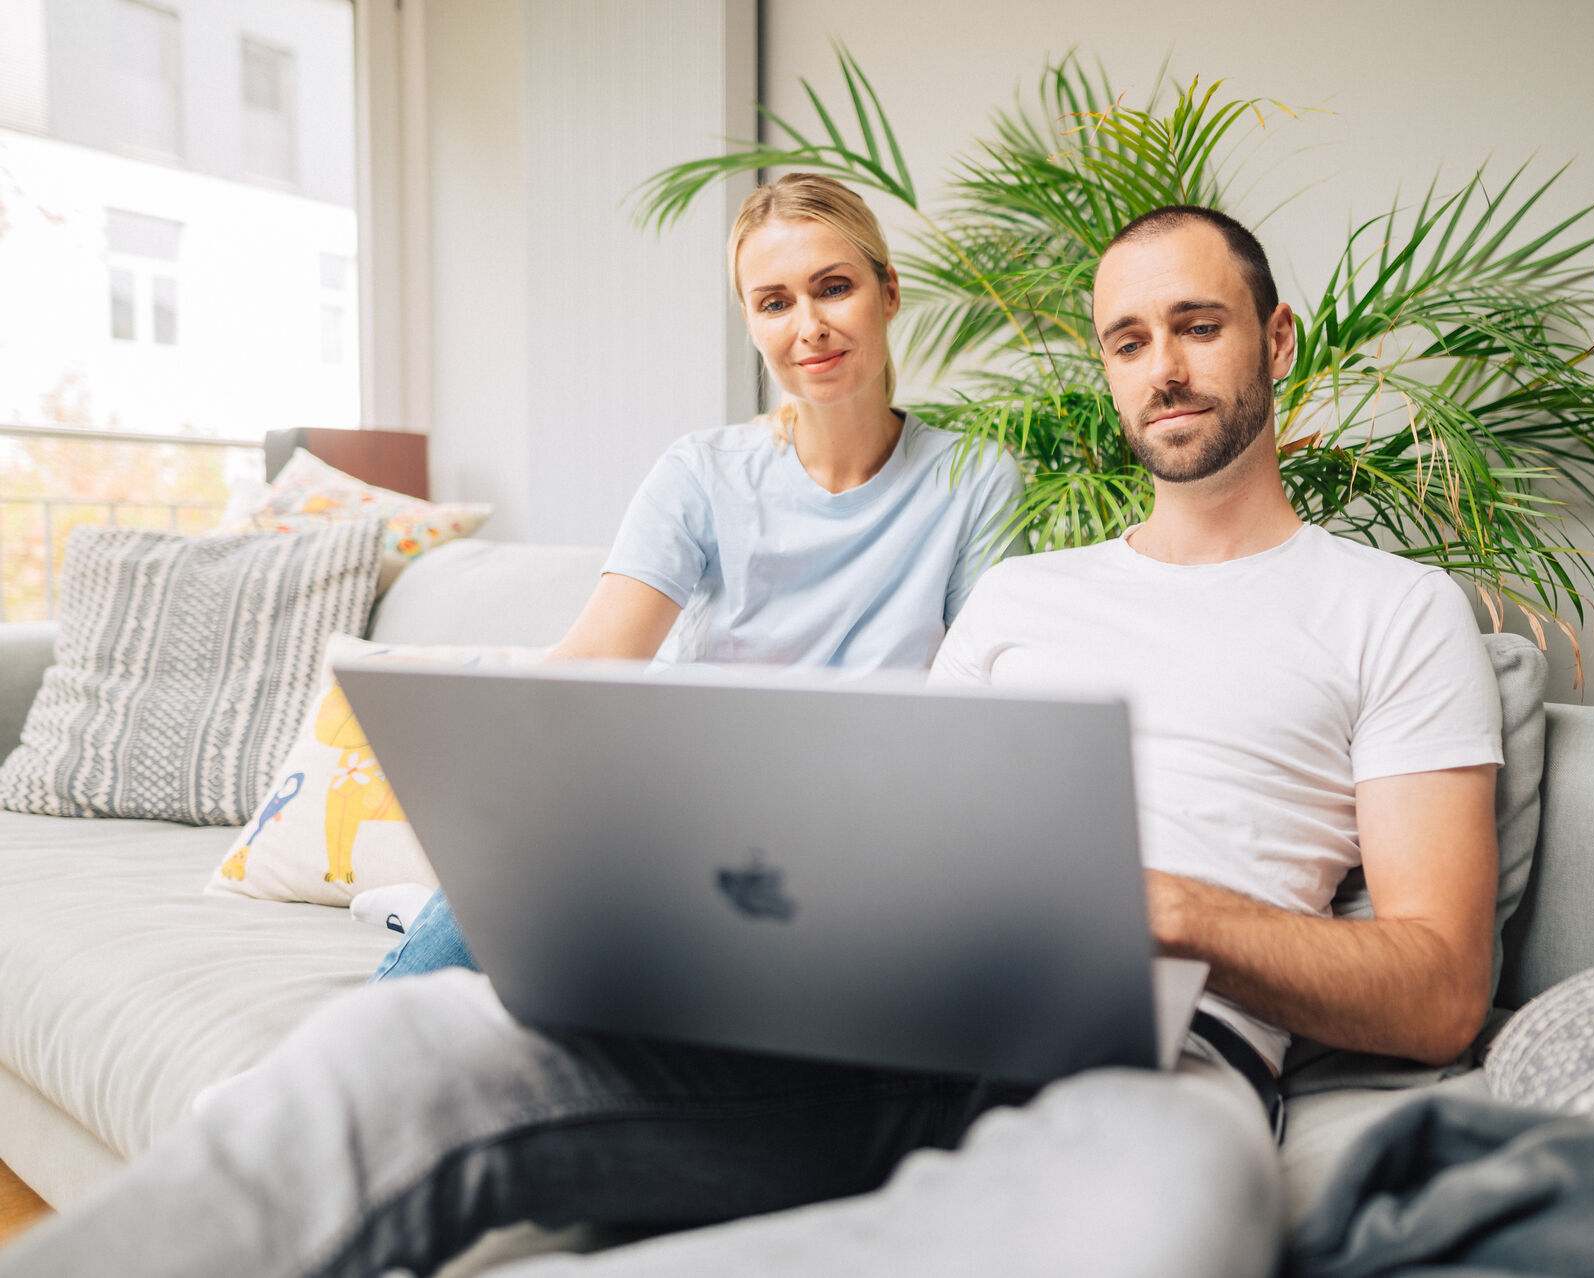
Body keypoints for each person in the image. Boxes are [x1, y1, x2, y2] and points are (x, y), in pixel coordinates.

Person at [0, 206, 1501, 1278]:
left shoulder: (1395, 609)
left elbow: (1438, 987)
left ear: (1273, 337)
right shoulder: (1028, 594)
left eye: (1196, 325)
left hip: (1157, 1054)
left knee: (1160, 1216)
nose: (1163, 365)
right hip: (872, 1012)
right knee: (406, 1042)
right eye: (1128, 338)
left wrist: (1161, 906)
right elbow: (920, 813)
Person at [370, 170, 1026, 981]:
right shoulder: (702, 472)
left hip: (857, 829)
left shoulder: (974, 476)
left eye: (834, 288)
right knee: (521, 870)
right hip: (682, 810)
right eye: (775, 302)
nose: (810, 326)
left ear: (887, 293)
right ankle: (314, 1080)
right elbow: (596, 662)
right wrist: (492, 798)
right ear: (750, 321)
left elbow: (973, 715)